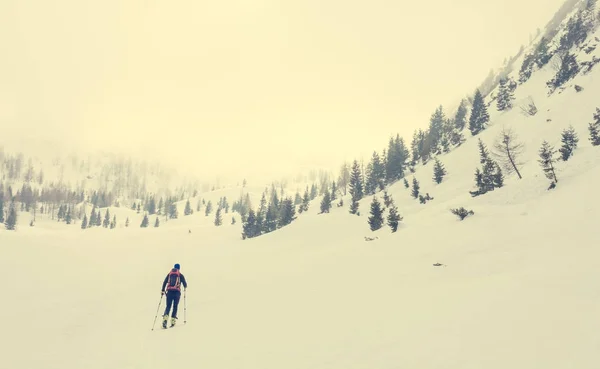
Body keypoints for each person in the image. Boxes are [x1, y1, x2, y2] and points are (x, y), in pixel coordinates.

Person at [161, 263, 188, 328]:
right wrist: (184, 287)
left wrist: (162, 290)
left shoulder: (169, 274)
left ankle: (165, 320)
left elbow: (164, 282)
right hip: (177, 293)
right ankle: (173, 321)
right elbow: (185, 284)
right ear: (179, 268)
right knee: (175, 306)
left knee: (168, 306)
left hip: (169, 292)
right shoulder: (180, 275)